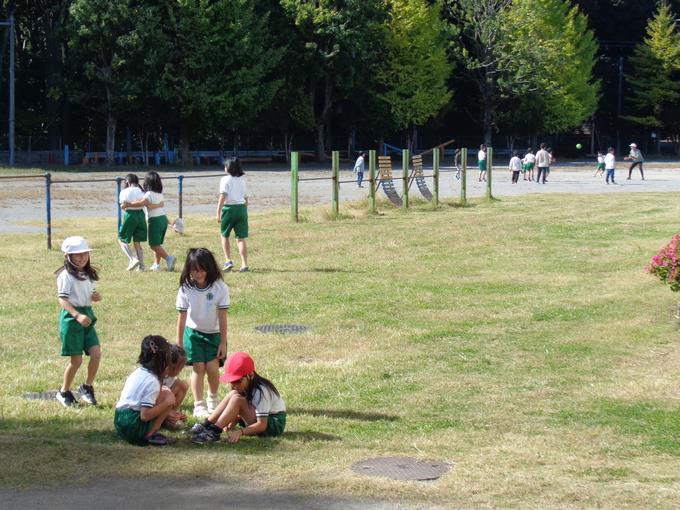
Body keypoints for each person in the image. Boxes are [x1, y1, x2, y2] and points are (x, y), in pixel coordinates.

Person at [176, 248, 229, 418]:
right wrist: (179, 343)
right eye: (193, 270)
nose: (197, 273)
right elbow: (182, 317)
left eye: (201, 269)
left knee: (213, 368)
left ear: (209, 268)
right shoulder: (185, 289)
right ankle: (199, 404)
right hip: (193, 334)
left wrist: (223, 341)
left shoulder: (220, 288)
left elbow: (222, 317)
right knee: (198, 368)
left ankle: (212, 399)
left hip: (214, 335)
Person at [190, 352, 286, 444]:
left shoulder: (262, 391)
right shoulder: (245, 386)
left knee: (237, 399)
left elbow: (262, 425)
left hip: (273, 425)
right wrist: (234, 419)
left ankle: (214, 432)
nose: (234, 385)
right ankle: (206, 425)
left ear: (251, 375)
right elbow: (249, 408)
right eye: (232, 381)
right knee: (234, 394)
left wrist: (240, 432)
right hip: (262, 420)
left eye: (238, 381)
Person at [55, 236, 102, 407]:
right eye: (77, 255)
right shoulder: (65, 276)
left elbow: (90, 293)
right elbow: (63, 300)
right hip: (72, 319)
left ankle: (86, 387)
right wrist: (77, 315)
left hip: (87, 316)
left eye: (85, 254)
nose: (82, 257)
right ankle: (64, 392)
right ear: (68, 256)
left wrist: (95, 297)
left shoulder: (88, 274)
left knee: (96, 354)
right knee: (76, 361)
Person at [114, 335, 176, 446]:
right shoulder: (152, 381)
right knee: (168, 396)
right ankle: (150, 434)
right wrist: (168, 402)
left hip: (120, 421)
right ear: (163, 359)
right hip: (132, 426)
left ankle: (150, 430)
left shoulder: (139, 372)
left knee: (164, 392)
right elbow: (145, 415)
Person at [121, 171, 176, 272]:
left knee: (153, 245)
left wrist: (128, 204)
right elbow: (158, 205)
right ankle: (156, 264)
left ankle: (169, 258)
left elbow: (141, 203)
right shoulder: (159, 194)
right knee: (157, 243)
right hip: (163, 219)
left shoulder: (148, 194)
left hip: (155, 220)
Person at [217, 158, 249, 272]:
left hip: (229, 209)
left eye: (225, 166)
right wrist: (245, 211)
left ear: (228, 168)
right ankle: (244, 264)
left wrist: (218, 213)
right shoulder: (241, 180)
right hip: (241, 208)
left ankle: (228, 260)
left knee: (224, 235)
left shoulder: (225, 179)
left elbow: (222, 197)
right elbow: (246, 198)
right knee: (241, 238)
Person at [118, 173, 146, 271]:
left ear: (127, 182)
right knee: (137, 241)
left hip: (130, 214)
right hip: (141, 215)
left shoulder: (124, 191)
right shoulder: (142, 191)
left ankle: (132, 259)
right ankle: (142, 266)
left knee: (121, 239)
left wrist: (125, 205)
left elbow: (122, 205)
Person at [163, 344, 189, 430]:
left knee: (182, 385)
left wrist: (174, 413)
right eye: (180, 368)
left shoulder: (171, 377)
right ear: (171, 365)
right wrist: (166, 413)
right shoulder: (157, 376)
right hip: (150, 408)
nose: (181, 370)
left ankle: (170, 418)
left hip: (161, 404)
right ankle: (164, 417)